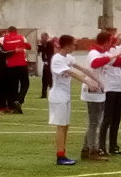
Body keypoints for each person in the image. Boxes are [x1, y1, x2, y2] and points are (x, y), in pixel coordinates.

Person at [48, 34, 102, 166]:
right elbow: (72, 73)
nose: (75, 47)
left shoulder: (68, 58)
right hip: (58, 96)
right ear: (67, 45)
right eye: (73, 44)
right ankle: (60, 156)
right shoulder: (57, 58)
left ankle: (63, 153)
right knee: (61, 126)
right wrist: (87, 83)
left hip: (65, 96)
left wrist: (98, 80)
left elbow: (82, 69)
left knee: (66, 126)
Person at [81, 32, 113, 160]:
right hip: (93, 90)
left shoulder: (101, 53)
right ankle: (92, 150)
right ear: (105, 42)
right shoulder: (94, 53)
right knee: (94, 122)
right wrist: (112, 56)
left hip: (99, 90)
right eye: (109, 42)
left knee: (95, 121)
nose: (110, 45)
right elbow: (95, 64)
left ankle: (86, 148)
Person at [0, 26, 32, 114]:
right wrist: (22, 45)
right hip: (22, 65)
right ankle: (19, 100)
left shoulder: (3, 39)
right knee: (25, 83)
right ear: (16, 31)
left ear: (8, 32)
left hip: (11, 66)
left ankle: (14, 105)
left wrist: (9, 46)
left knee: (14, 86)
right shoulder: (21, 37)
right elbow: (29, 47)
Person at [38, 32, 56, 99]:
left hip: (49, 63)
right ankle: (44, 94)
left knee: (49, 79)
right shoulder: (45, 44)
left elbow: (47, 52)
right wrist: (40, 45)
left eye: (42, 37)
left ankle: (53, 93)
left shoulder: (49, 43)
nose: (41, 39)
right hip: (45, 63)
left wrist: (41, 45)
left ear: (46, 37)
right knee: (44, 79)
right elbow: (40, 51)